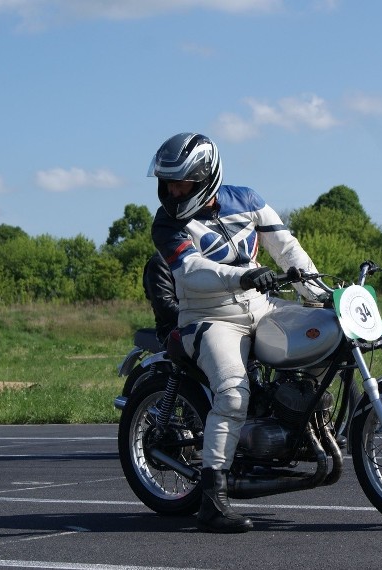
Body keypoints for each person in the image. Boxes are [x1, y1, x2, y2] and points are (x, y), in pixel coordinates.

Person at [148, 132, 323, 533]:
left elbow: (287, 248)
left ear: (205, 177)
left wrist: (319, 294)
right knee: (231, 391)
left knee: (328, 331)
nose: (173, 190)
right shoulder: (167, 223)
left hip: (262, 307)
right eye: (169, 182)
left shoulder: (247, 199)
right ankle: (212, 500)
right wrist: (245, 276)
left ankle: (306, 422)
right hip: (207, 318)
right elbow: (191, 270)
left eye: (182, 182)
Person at [142, 250, 179, 345]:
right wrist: (195, 315)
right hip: (172, 328)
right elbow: (165, 304)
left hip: (196, 320)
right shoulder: (160, 261)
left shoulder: (196, 257)